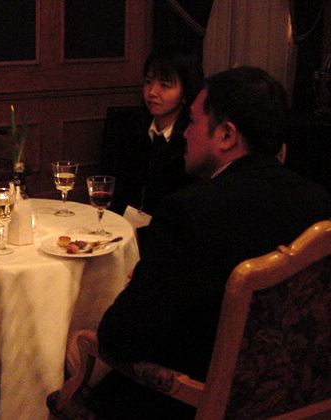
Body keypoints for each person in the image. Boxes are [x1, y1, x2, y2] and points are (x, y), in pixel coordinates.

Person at [87, 67, 331, 419]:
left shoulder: (190, 212)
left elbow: (119, 338)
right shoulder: (318, 203)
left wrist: (143, 284)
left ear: (226, 135)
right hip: (296, 404)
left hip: (193, 403)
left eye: (193, 121)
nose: (185, 133)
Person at [101, 48, 203, 219]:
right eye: (148, 82)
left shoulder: (190, 138)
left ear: (185, 94)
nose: (152, 92)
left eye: (165, 85)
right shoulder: (130, 127)